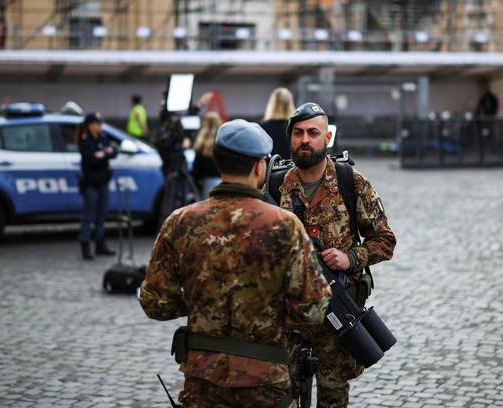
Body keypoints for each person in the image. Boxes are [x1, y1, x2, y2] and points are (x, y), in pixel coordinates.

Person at [140, 119, 332, 408]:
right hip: (267, 382)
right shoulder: (284, 225)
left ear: (218, 164)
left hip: (203, 381)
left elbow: (154, 302)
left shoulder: (181, 222)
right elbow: (314, 308)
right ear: (259, 166)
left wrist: (201, 303)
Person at [278, 102, 397, 408]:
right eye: (298, 133)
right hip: (288, 314)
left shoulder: (351, 182)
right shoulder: (276, 185)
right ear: (290, 138)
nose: (305, 139)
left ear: (327, 137)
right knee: (281, 395)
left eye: (313, 133)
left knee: (333, 397)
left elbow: (385, 240)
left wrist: (352, 258)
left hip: (336, 317)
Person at [76, 112, 117, 260]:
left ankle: (100, 244)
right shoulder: (86, 141)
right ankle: (85, 245)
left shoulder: (103, 137)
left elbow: (114, 152)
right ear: (90, 125)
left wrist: (103, 154)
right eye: (97, 123)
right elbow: (92, 159)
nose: (100, 126)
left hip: (103, 182)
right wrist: (104, 153)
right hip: (91, 184)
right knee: (89, 216)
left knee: (101, 215)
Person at [192, 111, 222, 199]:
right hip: (224, 182)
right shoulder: (223, 143)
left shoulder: (201, 145)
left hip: (207, 184)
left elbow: (196, 171)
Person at [259, 87, 295, 159]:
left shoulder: (262, 128)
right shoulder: (295, 126)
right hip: (291, 168)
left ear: (272, 104)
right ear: (290, 104)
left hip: (270, 169)